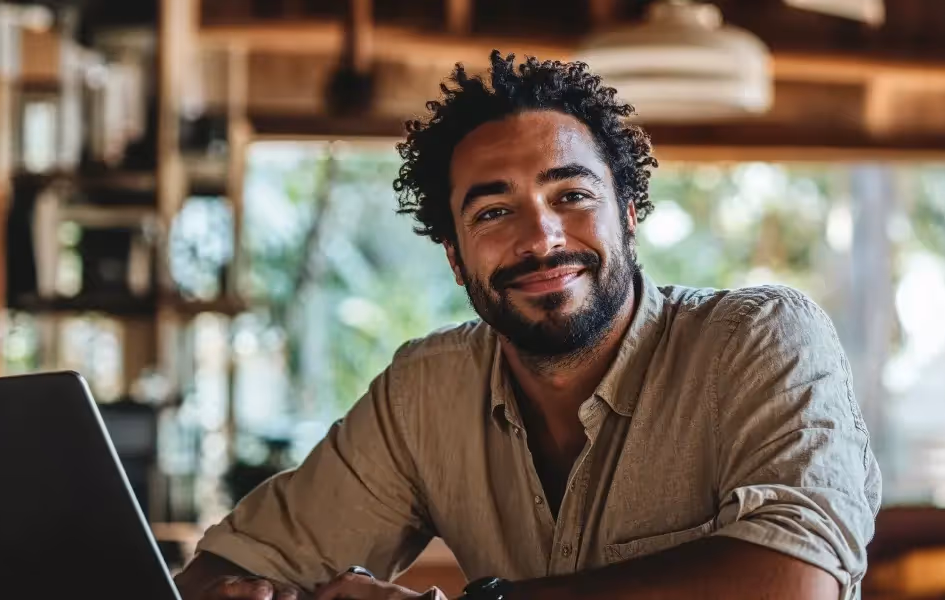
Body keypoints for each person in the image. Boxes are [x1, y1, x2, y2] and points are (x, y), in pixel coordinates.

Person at [175, 50, 881, 600]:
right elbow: (225, 568)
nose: (541, 238)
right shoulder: (426, 393)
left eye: (571, 194)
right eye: (492, 212)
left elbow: (795, 582)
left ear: (629, 218)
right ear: (455, 258)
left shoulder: (759, 339)